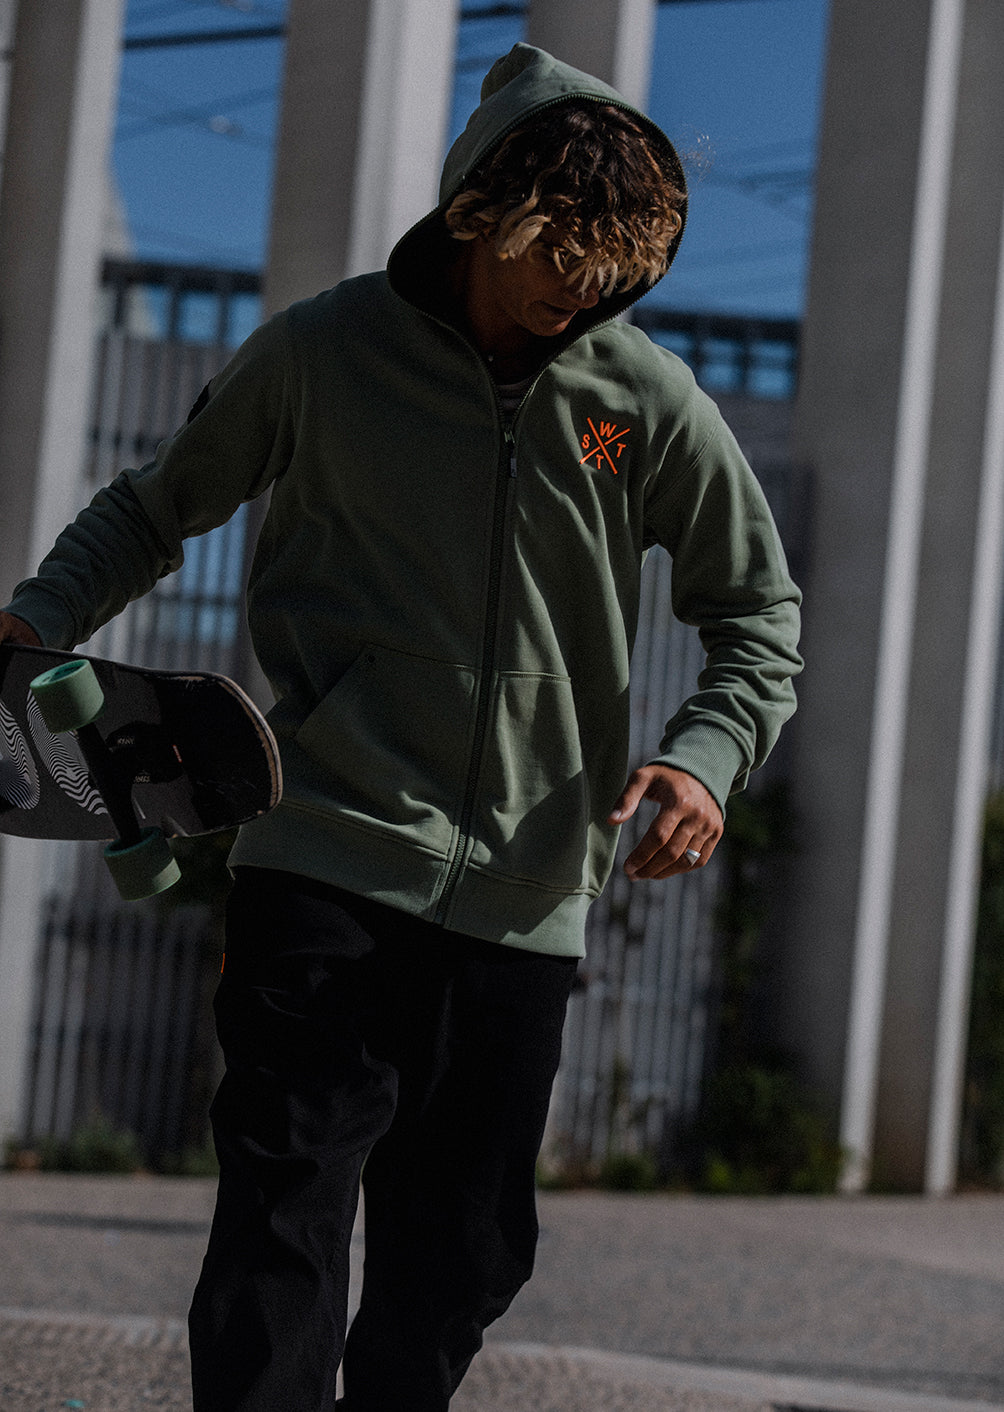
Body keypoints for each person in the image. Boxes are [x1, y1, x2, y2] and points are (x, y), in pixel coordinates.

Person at [0, 43, 801, 1412]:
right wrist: (38, 620)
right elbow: (153, 506)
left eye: (614, 275)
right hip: (322, 847)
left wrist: (704, 760)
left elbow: (758, 613)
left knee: (463, 1255)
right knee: (284, 1209)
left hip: (529, 894)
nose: (580, 294)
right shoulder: (323, 352)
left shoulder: (639, 401)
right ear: (481, 212)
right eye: (559, 259)